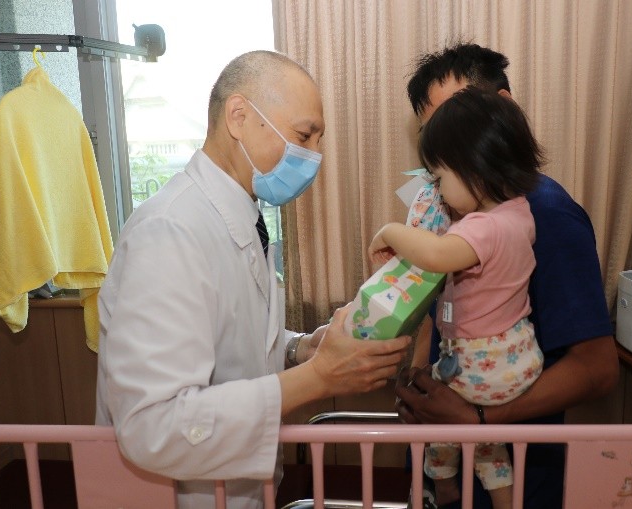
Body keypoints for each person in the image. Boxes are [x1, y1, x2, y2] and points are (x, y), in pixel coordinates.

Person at [95, 50, 411, 509]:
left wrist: (299, 348)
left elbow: (228, 334)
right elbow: (153, 426)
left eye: (318, 140)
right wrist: (319, 377)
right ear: (239, 117)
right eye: (304, 136)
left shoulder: (241, 216)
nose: (315, 156)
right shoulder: (169, 231)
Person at [394, 43, 619, 508]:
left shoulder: (547, 217)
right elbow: (442, 311)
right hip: (447, 457)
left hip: (515, 469)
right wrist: (420, 385)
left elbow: (597, 369)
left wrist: (478, 417)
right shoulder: (451, 211)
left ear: (504, 110)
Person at [369, 87, 545, 509]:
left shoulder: (483, 227)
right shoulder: (520, 212)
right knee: (486, 445)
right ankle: (504, 499)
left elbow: (436, 255)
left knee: (434, 415)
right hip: (516, 357)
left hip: (479, 363)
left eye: (440, 177)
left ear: (474, 169)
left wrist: (391, 232)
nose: (438, 190)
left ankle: (444, 486)